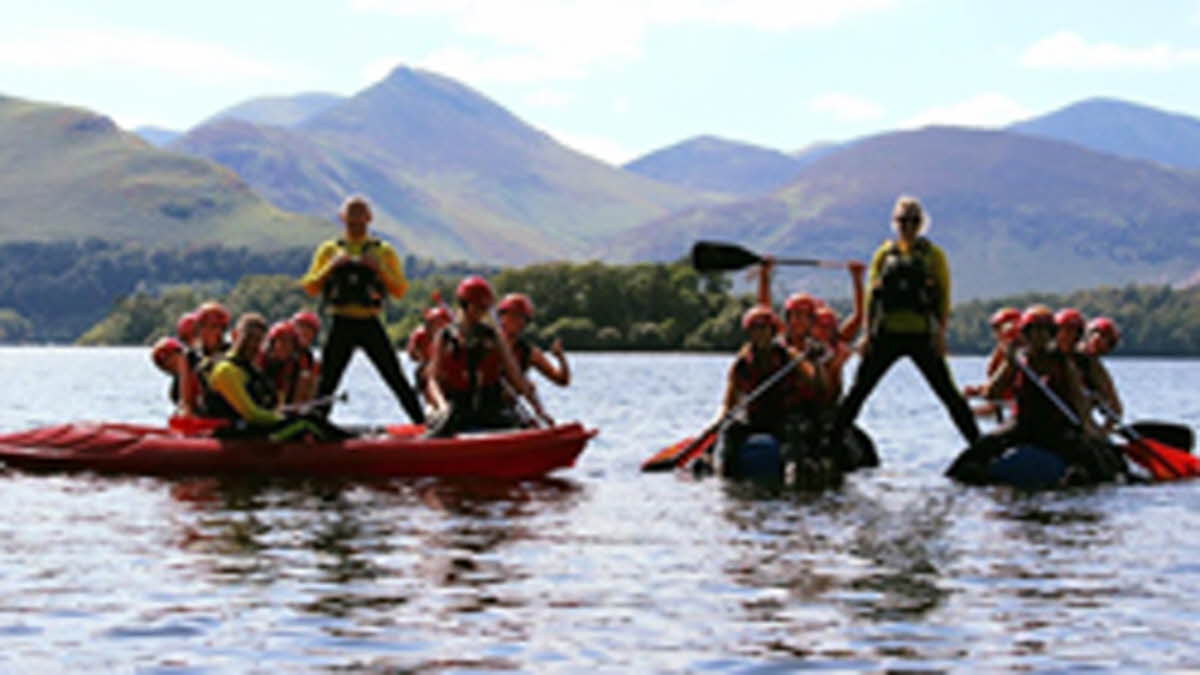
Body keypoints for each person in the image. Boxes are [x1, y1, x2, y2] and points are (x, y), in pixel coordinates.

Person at [829, 196, 980, 451]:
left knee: (949, 394)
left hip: (921, 335)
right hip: (886, 334)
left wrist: (940, 335)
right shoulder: (884, 254)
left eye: (913, 221)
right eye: (902, 220)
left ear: (922, 224)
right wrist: (866, 335)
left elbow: (943, 298)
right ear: (894, 222)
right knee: (858, 391)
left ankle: (978, 446)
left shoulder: (934, 256)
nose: (908, 226)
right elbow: (871, 297)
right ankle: (830, 444)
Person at [946, 306, 1124, 484]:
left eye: (1044, 331)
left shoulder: (1062, 362)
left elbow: (1078, 400)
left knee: (1091, 459)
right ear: (1025, 333)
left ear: (1051, 333)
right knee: (977, 451)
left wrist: (1089, 429)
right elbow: (993, 393)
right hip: (1021, 425)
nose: (1039, 336)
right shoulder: (1018, 360)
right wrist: (1009, 362)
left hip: (1056, 429)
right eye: (1034, 330)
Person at [299, 195, 424, 423]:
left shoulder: (382, 251)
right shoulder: (330, 250)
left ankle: (421, 423)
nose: (356, 222)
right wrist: (330, 266)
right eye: (351, 217)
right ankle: (314, 427)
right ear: (342, 218)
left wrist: (379, 268)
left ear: (369, 218)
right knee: (327, 382)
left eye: (360, 216)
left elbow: (400, 289)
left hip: (369, 322)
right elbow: (309, 286)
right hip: (341, 322)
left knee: (394, 376)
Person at [425, 276, 549, 437]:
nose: (483, 312)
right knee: (446, 417)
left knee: (519, 420)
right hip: (455, 407)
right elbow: (432, 380)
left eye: (485, 307)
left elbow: (517, 377)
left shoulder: (494, 336)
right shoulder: (445, 337)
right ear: (465, 305)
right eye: (479, 307)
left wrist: (538, 410)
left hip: (487, 407)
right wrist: (442, 406)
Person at [199, 313, 347, 441]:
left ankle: (346, 441)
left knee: (310, 417)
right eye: (248, 338)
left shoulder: (249, 369)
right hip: (235, 434)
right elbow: (251, 414)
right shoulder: (226, 370)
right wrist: (281, 417)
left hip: (251, 428)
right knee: (307, 422)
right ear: (235, 336)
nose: (252, 345)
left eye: (258, 340)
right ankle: (349, 448)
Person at [496, 293, 570, 386]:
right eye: (513, 315)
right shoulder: (485, 343)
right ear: (501, 317)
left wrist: (560, 357)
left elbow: (562, 380)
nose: (518, 321)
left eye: (522, 317)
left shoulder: (529, 353)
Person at [962, 307, 1022, 421]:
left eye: (998, 328)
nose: (996, 333)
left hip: (1012, 409)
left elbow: (1003, 394)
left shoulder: (1018, 355)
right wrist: (977, 390)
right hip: (1004, 406)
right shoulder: (1002, 352)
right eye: (995, 328)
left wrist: (979, 392)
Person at [177, 301, 232, 417]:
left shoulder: (232, 352)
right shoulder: (190, 356)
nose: (217, 331)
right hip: (205, 414)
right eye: (212, 326)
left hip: (232, 411)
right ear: (199, 328)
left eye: (220, 327)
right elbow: (187, 399)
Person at [258, 321, 305, 409]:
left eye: (290, 343)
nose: (287, 346)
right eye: (282, 341)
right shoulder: (259, 361)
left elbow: (292, 398)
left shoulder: (293, 366)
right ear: (272, 343)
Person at [290, 311, 322, 404]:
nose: (304, 332)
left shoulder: (311, 359)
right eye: (301, 327)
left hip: (296, 399)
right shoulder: (283, 349)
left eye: (309, 330)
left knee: (307, 376)